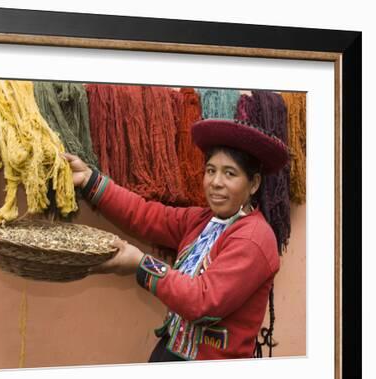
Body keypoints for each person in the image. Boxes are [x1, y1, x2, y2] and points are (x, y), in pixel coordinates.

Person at [62, 118, 289, 362]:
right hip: (171, 350)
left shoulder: (254, 238)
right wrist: (88, 179)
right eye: (210, 170)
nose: (215, 182)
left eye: (230, 173)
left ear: (253, 183)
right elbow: (144, 214)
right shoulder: (201, 220)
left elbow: (203, 300)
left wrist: (141, 264)